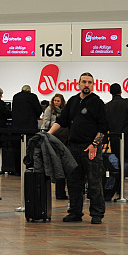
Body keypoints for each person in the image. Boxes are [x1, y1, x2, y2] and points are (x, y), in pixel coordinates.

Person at [49, 72, 108, 224]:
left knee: (94, 183)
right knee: (74, 183)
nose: (86, 85)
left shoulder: (97, 103)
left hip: (90, 148)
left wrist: (94, 145)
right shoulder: (73, 101)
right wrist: (48, 134)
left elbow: (103, 128)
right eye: (84, 82)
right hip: (72, 148)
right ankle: (75, 212)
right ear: (79, 83)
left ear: (93, 85)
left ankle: (97, 214)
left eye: (89, 82)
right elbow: (62, 121)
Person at [104, 83, 128, 201]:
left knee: (116, 162)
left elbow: (104, 124)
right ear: (121, 91)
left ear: (110, 93)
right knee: (127, 161)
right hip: (127, 138)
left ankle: (112, 185)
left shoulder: (107, 106)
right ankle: (117, 182)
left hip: (114, 138)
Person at [10, 85, 42, 175]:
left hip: (16, 128)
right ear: (29, 91)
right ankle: (29, 168)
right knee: (30, 148)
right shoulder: (33, 97)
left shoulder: (15, 97)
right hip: (29, 127)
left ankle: (17, 170)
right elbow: (38, 110)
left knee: (17, 149)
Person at [41, 93, 68, 199]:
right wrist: (55, 125)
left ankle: (61, 191)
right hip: (53, 135)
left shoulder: (65, 110)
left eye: (58, 101)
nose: (56, 102)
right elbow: (46, 122)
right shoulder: (49, 109)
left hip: (63, 138)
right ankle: (59, 191)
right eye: (55, 101)